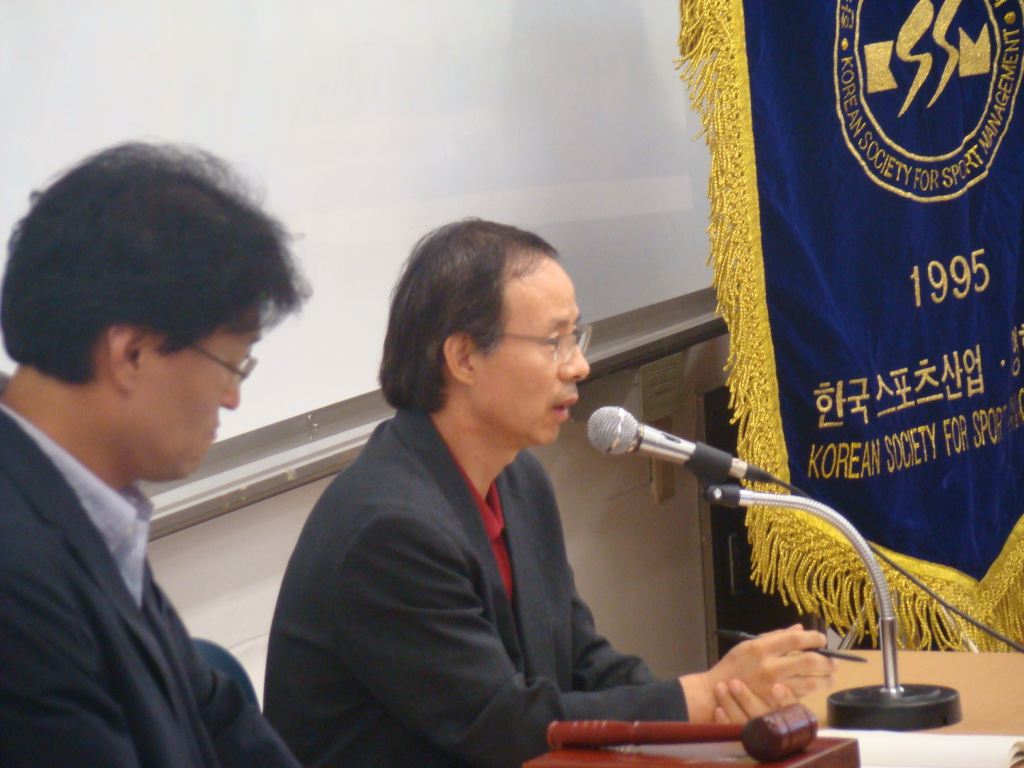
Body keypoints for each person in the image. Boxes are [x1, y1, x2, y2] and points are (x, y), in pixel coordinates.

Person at [263, 219, 836, 768]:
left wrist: (720, 699)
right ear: (463, 357)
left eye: (576, 336)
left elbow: (582, 664)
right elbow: (502, 727)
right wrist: (698, 695)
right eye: (554, 341)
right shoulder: (389, 529)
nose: (579, 366)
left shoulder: (518, 482)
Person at [0, 143, 309, 767]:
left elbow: (218, 718)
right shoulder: (16, 574)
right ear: (132, 354)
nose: (232, 398)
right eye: (232, 364)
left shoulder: (86, 504)